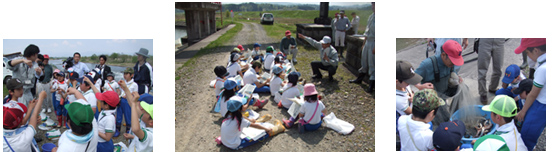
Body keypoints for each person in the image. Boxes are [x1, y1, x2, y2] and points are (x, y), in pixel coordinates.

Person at [513, 38, 546, 150]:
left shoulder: (543, 69)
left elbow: (533, 94)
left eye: (527, 53)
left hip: (541, 106)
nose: (527, 56)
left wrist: (523, 112)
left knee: (527, 135)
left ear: (536, 50)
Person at [219, 96, 284, 150]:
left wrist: (250, 120)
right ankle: (276, 129)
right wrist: (266, 129)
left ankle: (259, 121)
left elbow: (242, 117)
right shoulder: (239, 120)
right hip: (234, 144)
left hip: (227, 140)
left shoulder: (229, 115)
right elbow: (254, 126)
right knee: (257, 137)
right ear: (240, 108)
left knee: (247, 126)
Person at [3, 80, 46, 152]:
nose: (21, 91)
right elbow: (22, 122)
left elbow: (21, 119)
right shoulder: (23, 139)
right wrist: (31, 108)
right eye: (18, 89)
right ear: (11, 92)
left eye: (22, 88)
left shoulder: (16, 100)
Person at [53, 87, 99, 152]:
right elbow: (85, 103)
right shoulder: (93, 126)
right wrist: (75, 91)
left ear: (68, 123)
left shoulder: (66, 147)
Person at [84, 75, 119, 152]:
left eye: (101, 100)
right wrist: (90, 83)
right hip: (99, 141)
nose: (99, 101)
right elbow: (97, 93)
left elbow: (107, 137)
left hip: (104, 145)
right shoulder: (106, 110)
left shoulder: (109, 118)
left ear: (106, 106)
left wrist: (95, 129)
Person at [119, 79, 154, 152]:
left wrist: (134, 103)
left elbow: (136, 130)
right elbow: (132, 105)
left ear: (151, 122)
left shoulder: (151, 135)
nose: (140, 107)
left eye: (145, 111)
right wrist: (125, 88)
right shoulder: (146, 122)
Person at [350, 2, 375, 92]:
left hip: (374, 42)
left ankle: (371, 85)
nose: (373, 7)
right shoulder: (371, 16)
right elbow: (367, 32)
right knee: (364, 61)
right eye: (372, 5)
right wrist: (364, 43)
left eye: (375, 5)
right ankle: (359, 79)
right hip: (368, 41)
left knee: (372, 63)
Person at [477, 38, 505, 104]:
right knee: (482, 70)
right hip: (485, 40)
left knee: (498, 69)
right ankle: (483, 93)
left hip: (499, 41)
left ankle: (493, 88)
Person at [115, 68, 139, 138]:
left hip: (128, 101)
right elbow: (120, 91)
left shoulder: (134, 84)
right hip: (121, 100)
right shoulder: (123, 82)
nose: (125, 75)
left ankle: (128, 130)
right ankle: (117, 130)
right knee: (118, 115)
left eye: (126, 74)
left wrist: (129, 95)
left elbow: (136, 95)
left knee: (128, 116)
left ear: (132, 75)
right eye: (124, 74)